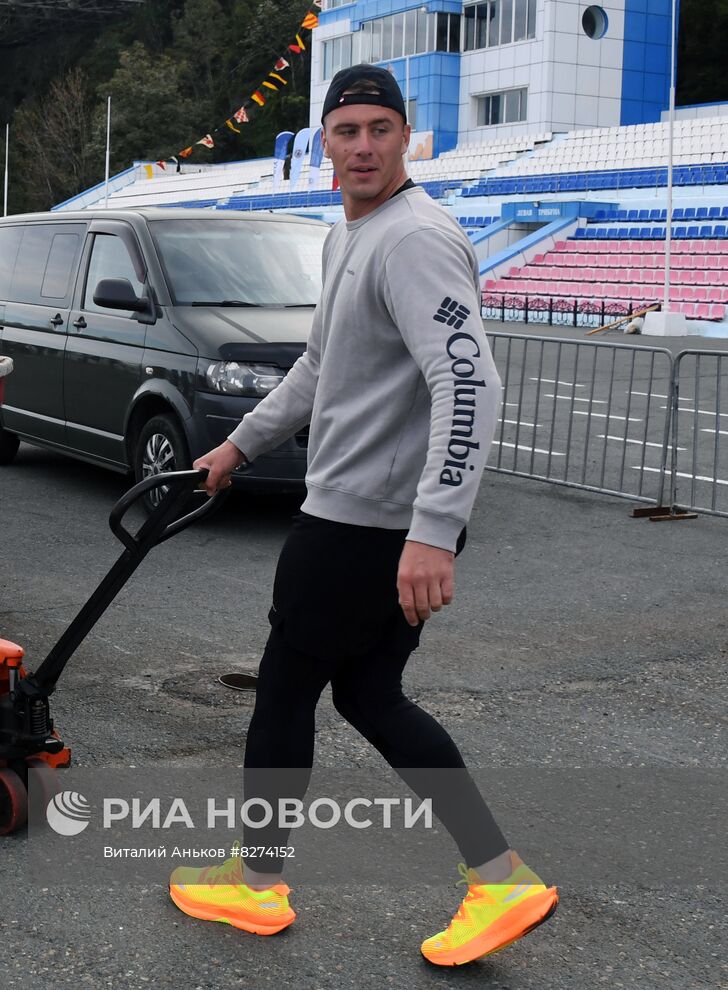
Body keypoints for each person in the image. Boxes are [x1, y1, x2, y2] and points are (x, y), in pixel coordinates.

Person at [167, 65, 558, 966]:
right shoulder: (351, 234)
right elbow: (317, 366)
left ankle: (256, 882)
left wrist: (433, 527)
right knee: (369, 694)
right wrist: (238, 448)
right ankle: (498, 877)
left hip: (364, 524)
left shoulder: (413, 238)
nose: (365, 147)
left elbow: (469, 382)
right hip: (375, 518)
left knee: (287, 688)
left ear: (407, 137)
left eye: (382, 128)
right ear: (323, 143)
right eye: (347, 131)